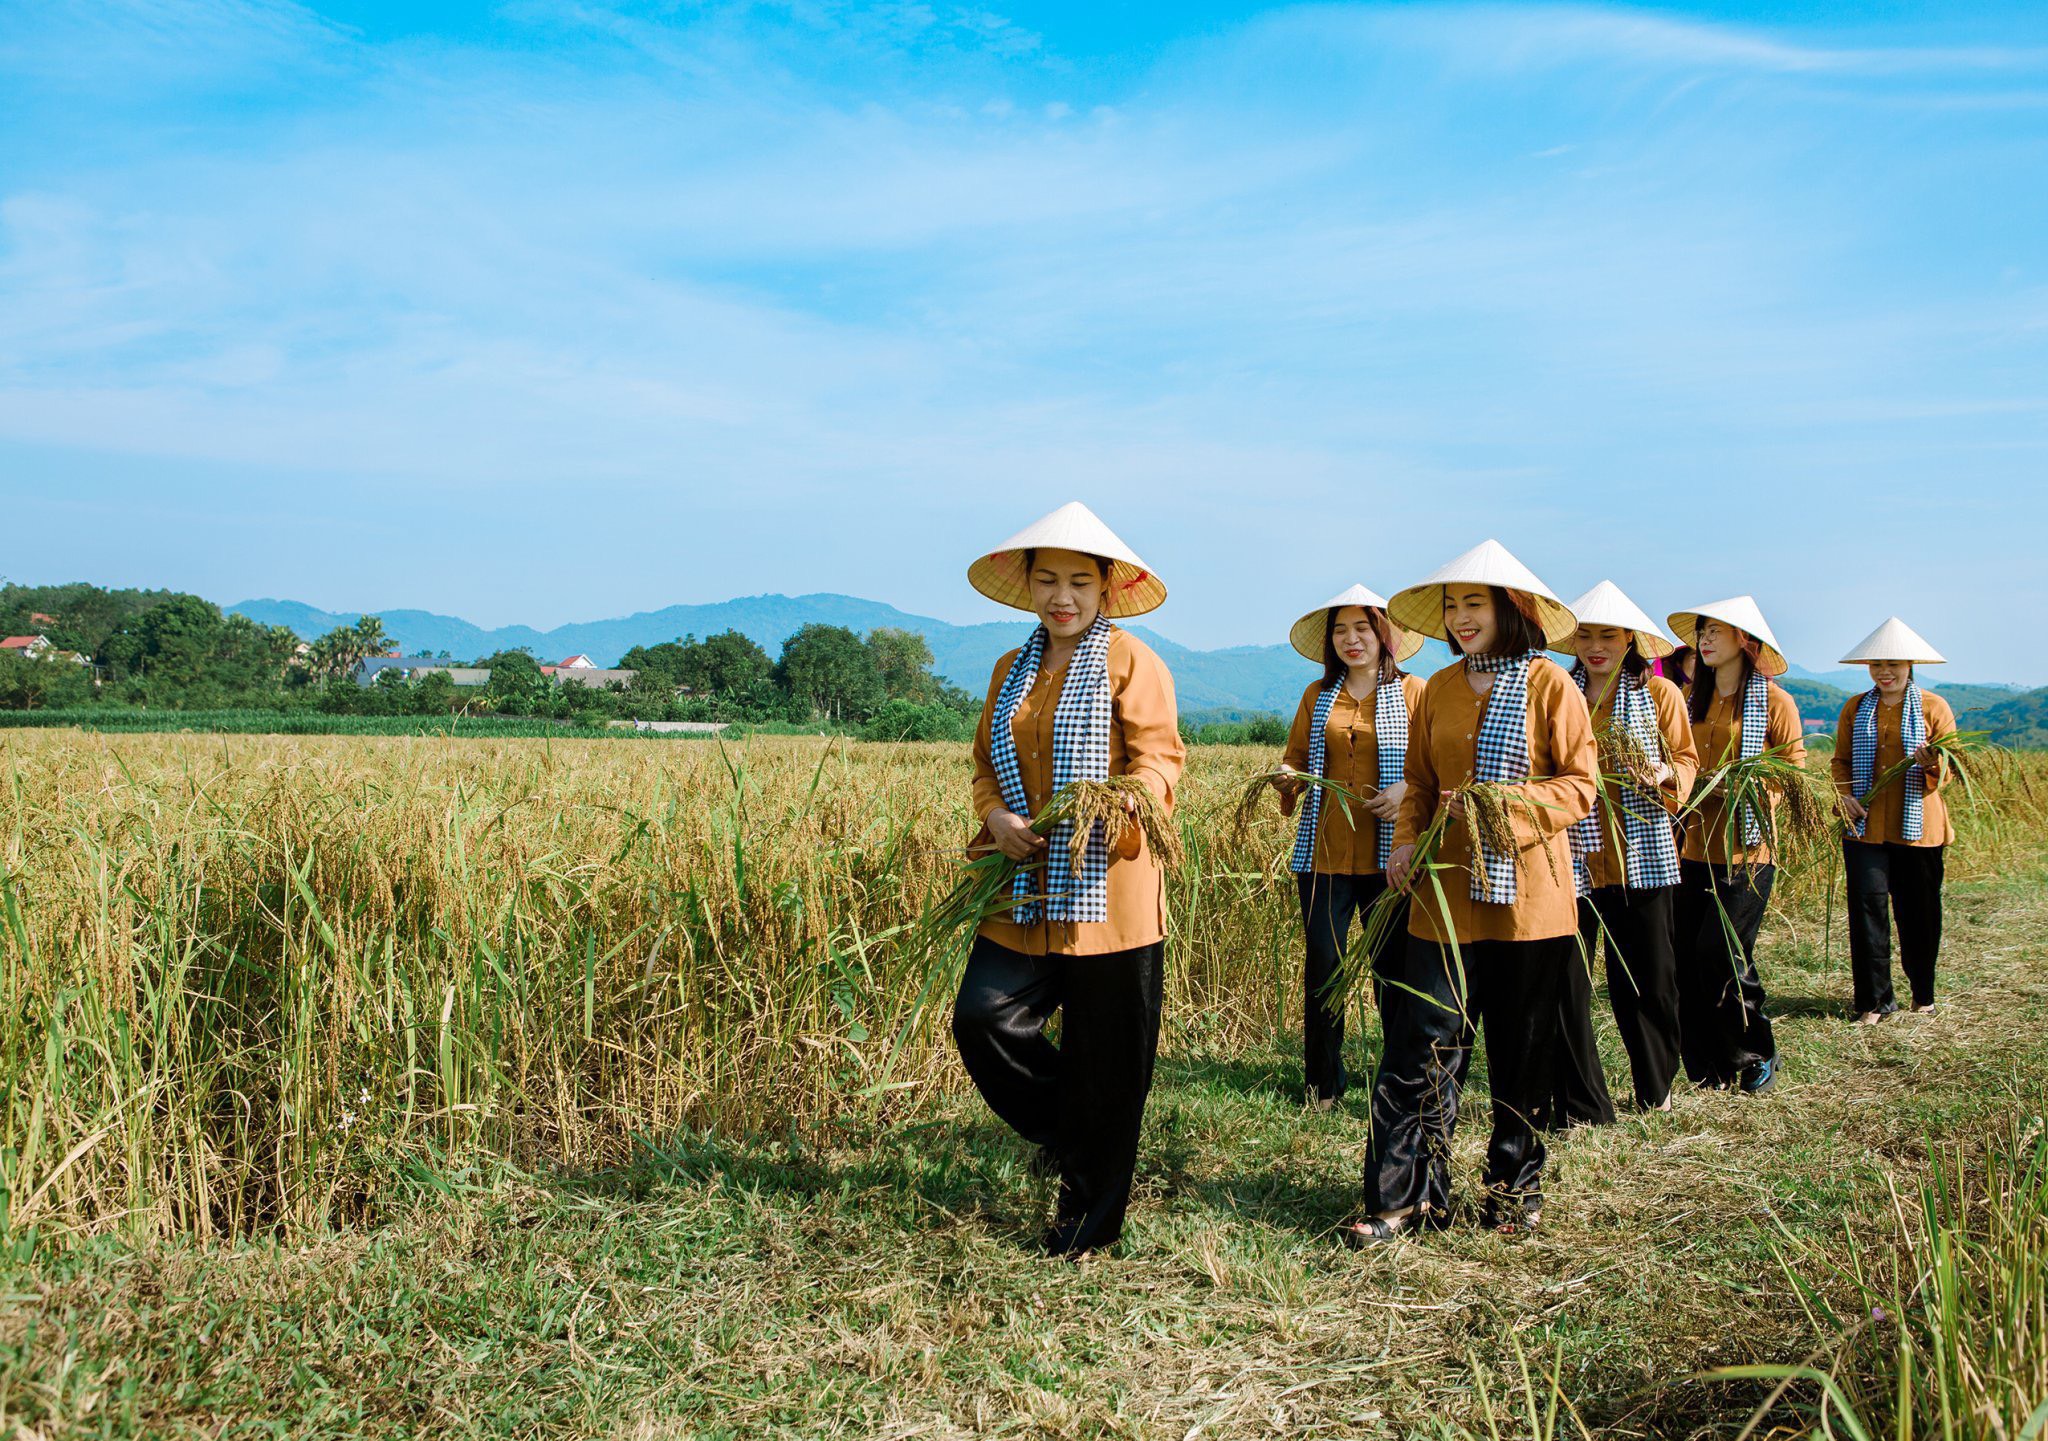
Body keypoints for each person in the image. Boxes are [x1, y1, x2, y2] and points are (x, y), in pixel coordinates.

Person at [951, 501, 1186, 1257]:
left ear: (1106, 589)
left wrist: (1113, 803)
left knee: (1109, 1060)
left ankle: (1089, 1227)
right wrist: (995, 820)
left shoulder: (1133, 661)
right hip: (1022, 887)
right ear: (1027, 585)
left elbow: (1158, 764)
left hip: (1108, 890)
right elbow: (987, 768)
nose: (1063, 596)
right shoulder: (1008, 670)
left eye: (1079, 582)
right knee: (983, 1017)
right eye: (1048, 580)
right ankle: (1079, 1132)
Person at [1343, 540, 1595, 1243]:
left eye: (1472, 604)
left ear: (1510, 609)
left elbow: (1578, 786)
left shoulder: (1551, 685)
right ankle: (1405, 1198)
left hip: (1528, 904)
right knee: (1419, 1046)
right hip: (1443, 899)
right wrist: (1404, 841)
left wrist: (1496, 806)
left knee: (1521, 1054)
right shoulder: (1443, 688)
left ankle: (1512, 1193)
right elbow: (1419, 783)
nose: (1458, 618)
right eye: (1451, 606)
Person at [1548, 582, 1698, 1123]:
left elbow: (1685, 759)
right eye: (1584, 634)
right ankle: (1583, 1103)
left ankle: (1655, 1088)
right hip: (1571, 856)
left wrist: (1663, 772)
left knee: (1650, 980)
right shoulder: (1556, 691)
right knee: (1567, 983)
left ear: (1630, 639)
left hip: (1643, 853)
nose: (1596, 645)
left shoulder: (1661, 696)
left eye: (1608, 634)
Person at [1271, 585, 1426, 1108]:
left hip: (1393, 859)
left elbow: (1435, 770)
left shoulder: (1413, 693)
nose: (1351, 639)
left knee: (1394, 972)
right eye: (1340, 630)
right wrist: (1286, 778)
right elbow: (1293, 758)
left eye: (1362, 628)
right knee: (1325, 968)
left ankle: (1401, 1081)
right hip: (1323, 855)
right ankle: (1322, 1085)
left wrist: (1406, 790)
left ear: (1385, 636)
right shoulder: (1318, 697)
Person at [1667, 596, 1803, 1096]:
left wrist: (1742, 786)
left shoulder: (1774, 702)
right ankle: (1706, 1066)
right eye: (1701, 631)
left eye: (1715, 632)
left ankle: (1755, 1053)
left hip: (1748, 850)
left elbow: (1794, 775)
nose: (1704, 639)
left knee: (1722, 953)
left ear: (1744, 641)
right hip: (1692, 846)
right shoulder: (1689, 701)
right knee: (1685, 957)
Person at [1831, 617, 1957, 1024]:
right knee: (1867, 911)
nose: (1885, 673)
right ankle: (1873, 1001)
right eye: (1877, 665)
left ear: (1909, 666)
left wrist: (1931, 762)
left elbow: (1949, 768)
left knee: (1919, 912)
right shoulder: (1855, 707)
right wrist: (1844, 794)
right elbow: (1841, 761)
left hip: (1918, 829)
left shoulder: (1933, 707)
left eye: (1893, 665)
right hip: (1865, 827)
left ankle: (1923, 994)